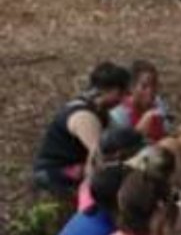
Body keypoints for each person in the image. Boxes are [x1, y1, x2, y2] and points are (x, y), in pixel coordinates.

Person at [112, 60, 181, 205]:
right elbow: (123, 148)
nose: (151, 91)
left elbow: (167, 133)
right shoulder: (121, 113)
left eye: (154, 85)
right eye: (144, 86)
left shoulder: (158, 104)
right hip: (138, 159)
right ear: (132, 87)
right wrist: (141, 127)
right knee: (171, 144)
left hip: (162, 149)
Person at [33, 62, 130, 197]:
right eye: (120, 93)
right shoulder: (85, 116)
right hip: (53, 172)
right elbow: (97, 155)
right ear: (107, 89)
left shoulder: (98, 110)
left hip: (75, 165)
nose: (122, 99)